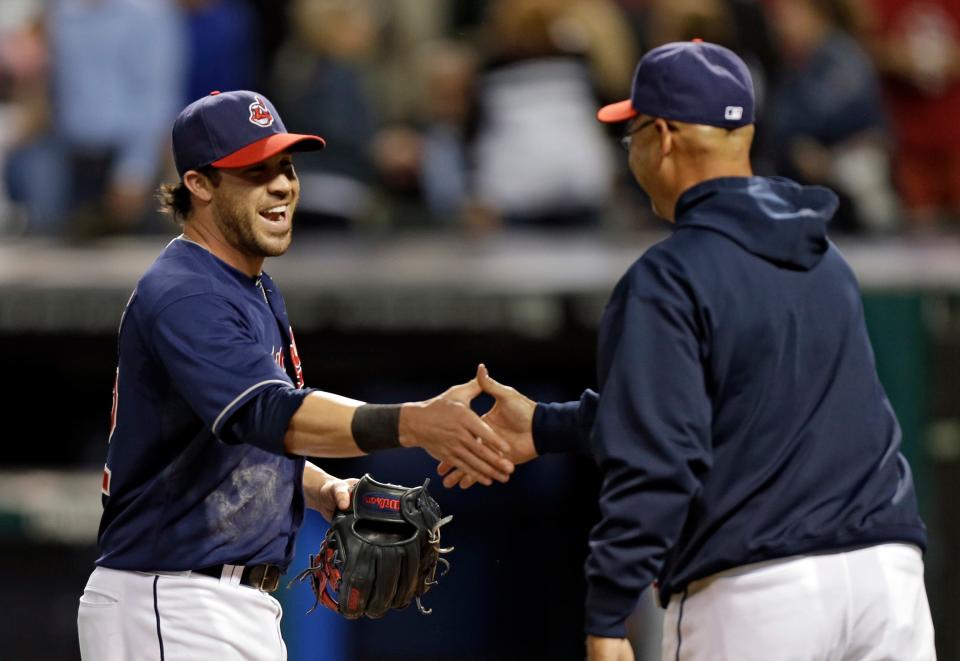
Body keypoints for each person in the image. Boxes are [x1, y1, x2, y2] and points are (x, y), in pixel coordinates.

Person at [441, 41, 935, 661]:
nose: (632, 153)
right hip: (887, 580)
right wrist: (548, 427)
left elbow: (660, 457)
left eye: (633, 135)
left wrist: (608, 615)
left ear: (666, 136)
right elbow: (725, 410)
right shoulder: (822, 257)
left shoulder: (668, 278)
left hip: (759, 592)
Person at [76, 90, 514, 661]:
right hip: (170, 600)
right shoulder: (186, 293)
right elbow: (268, 414)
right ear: (200, 184)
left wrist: (321, 487)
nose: (281, 185)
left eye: (285, 166)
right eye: (255, 171)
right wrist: (413, 423)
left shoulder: (248, 286)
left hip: (219, 603)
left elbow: (238, 439)